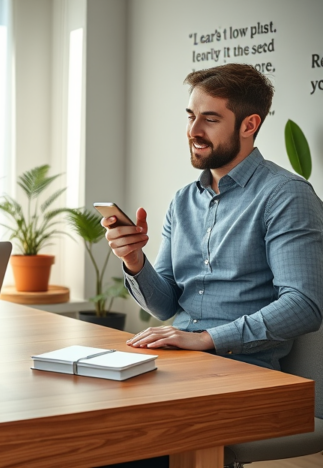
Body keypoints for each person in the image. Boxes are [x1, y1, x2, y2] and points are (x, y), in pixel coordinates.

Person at [103, 63, 323, 371]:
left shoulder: (286, 195)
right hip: (177, 359)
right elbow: (165, 306)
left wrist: (206, 338)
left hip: (240, 369)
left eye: (210, 119)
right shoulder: (182, 201)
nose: (193, 131)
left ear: (249, 125)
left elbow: (304, 306)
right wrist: (134, 260)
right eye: (191, 116)